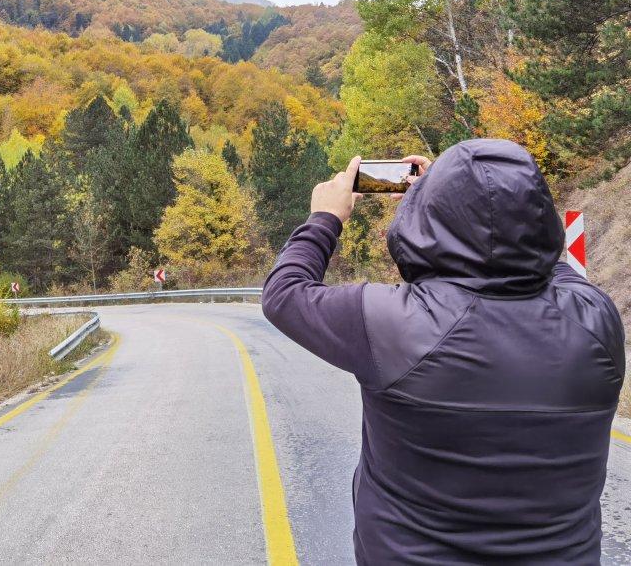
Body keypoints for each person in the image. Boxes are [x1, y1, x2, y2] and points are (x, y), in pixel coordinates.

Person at [262, 139, 624, 565]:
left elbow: (284, 293)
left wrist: (326, 217)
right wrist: (472, 198)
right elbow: (542, 263)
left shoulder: (391, 323)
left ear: (429, 221)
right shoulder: (598, 322)